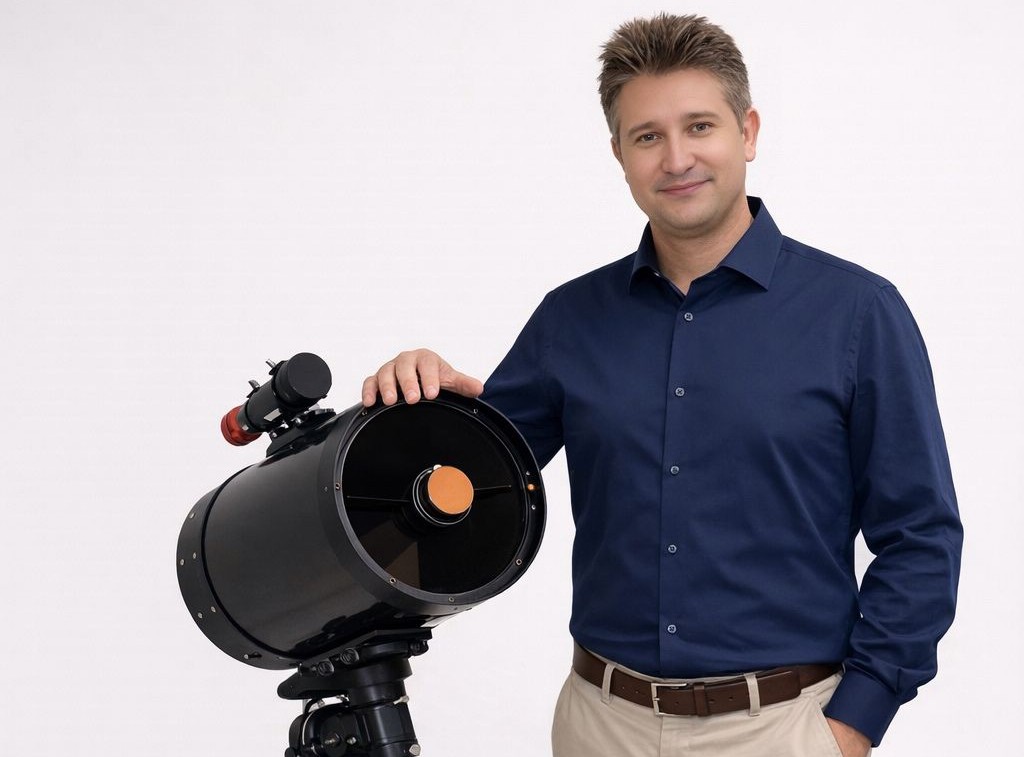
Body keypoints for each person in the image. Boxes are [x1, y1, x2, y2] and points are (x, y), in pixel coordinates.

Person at [361, 14, 961, 757]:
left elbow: (920, 534)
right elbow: (471, 482)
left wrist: (854, 723)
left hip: (781, 729)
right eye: (647, 136)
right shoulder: (571, 318)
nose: (677, 159)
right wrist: (422, 402)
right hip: (600, 724)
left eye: (699, 126)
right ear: (620, 154)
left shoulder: (857, 313)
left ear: (747, 132)